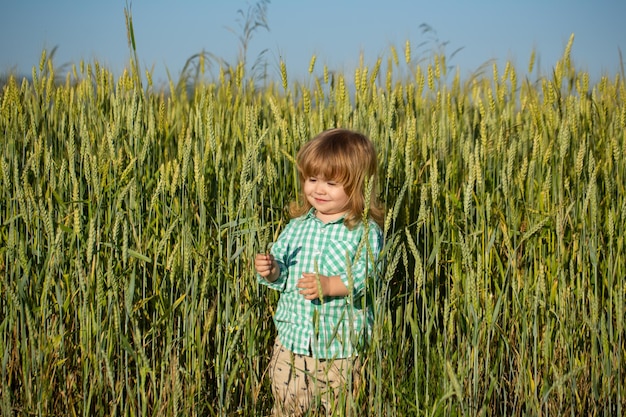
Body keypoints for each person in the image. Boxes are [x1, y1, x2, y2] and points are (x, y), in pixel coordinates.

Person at [255, 128, 384, 416]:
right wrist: (273, 270)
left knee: (339, 409)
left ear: (359, 185)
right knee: (288, 406)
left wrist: (330, 286)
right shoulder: (297, 226)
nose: (318, 189)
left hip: (341, 351)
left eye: (332, 182)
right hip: (292, 344)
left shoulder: (364, 232)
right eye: (312, 179)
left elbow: (367, 274)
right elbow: (284, 273)